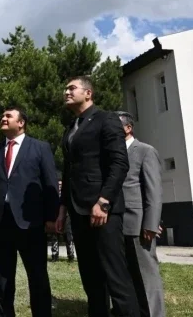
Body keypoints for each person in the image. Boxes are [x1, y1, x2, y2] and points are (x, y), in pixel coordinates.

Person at [56, 76, 138, 317]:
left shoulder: (107, 119)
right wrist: (62, 208)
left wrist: (103, 202)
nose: (66, 92)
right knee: (91, 278)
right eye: (65, 88)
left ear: (88, 93)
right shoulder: (71, 127)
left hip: (103, 211)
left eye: (72, 88)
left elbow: (119, 163)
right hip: (78, 210)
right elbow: (69, 171)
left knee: (116, 276)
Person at [0, 107, 59, 316]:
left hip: (30, 222)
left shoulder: (40, 148)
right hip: (0, 221)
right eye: (2, 115)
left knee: (37, 275)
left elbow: (50, 183)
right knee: (3, 276)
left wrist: (52, 216)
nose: (3, 118)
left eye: (8, 116)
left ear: (21, 122)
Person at [116, 111, 165, 317]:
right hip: (115, 224)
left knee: (146, 274)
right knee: (124, 274)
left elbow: (153, 190)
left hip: (138, 224)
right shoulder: (111, 155)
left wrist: (151, 224)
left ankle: (154, 313)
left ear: (128, 128)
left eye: (114, 126)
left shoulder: (145, 151)